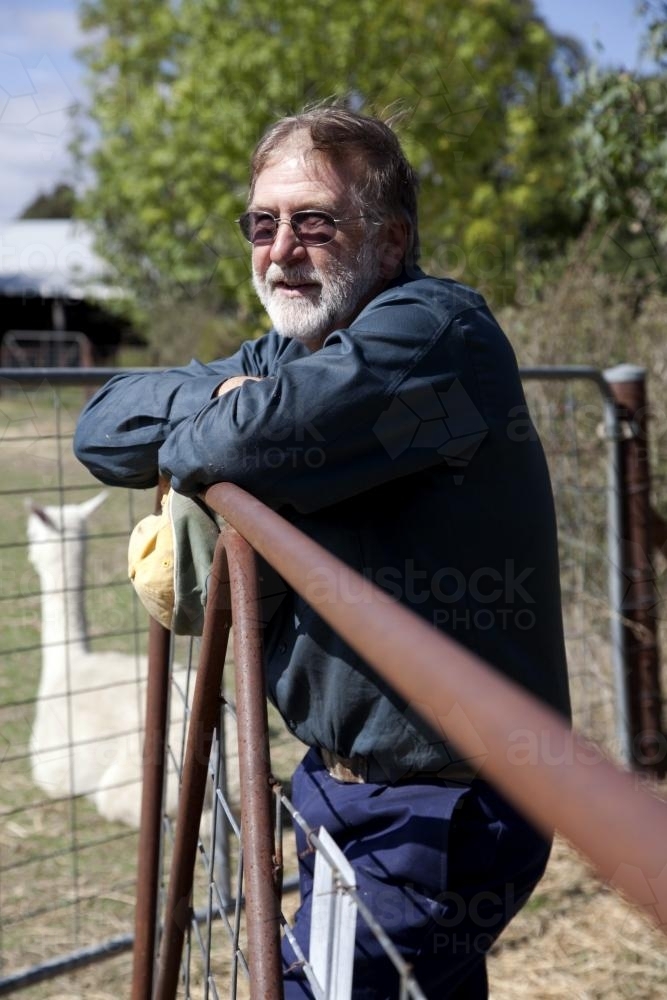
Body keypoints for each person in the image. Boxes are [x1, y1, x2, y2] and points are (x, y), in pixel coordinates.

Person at [74, 104, 571, 998]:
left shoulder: (434, 337)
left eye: (314, 222)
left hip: (445, 804)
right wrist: (236, 393)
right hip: (343, 788)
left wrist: (229, 409)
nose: (281, 249)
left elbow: (231, 446)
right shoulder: (294, 350)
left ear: (389, 241)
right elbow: (102, 426)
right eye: (262, 225)